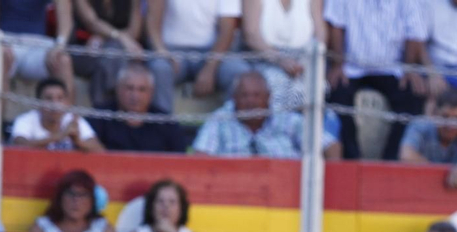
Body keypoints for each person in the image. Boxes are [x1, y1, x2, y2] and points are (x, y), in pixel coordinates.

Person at [324, 0, 430, 161]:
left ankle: (391, 159)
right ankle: (352, 158)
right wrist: (337, 64)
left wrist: (409, 67)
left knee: (412, 94)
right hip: (352, 67)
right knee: (336, 91)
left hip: (391, 67)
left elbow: (414, 31)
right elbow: (336, 26)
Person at [190, 70, 341, 158]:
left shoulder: (286, 118)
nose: (251, 101)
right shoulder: (220, 119)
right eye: (245, 95)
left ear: (268, 97)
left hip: (287, 192)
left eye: (256, 95)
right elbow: (200, 156)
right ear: (234, 98)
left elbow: (331, 146)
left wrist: (327, 185)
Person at [143, 0, 252, 111]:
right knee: (160, 68)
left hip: (212, 52)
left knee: (239, 72)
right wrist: (162, 52)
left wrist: (210, 69)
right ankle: (163, 125)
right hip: (171, 51)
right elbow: (152, 20)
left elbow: (228, 31)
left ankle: (231, 126)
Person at [73, 0, 175, 111]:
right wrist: (118, 37)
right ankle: (108, 111)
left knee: (113, 53)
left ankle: (103, 112)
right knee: (112, 55)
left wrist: (108, 38)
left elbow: (134, 30)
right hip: (86, 48)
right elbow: (91, 22)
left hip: (119, 48)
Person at [0, 0, 77, 98]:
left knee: (62, 60)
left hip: (37, 43)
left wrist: (60, 44)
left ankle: (70, 113)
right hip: (2, 39)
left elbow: (64, 12)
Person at [241, 0, 325, 111]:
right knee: (276, 86)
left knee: (315, 88)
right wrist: (280, 59)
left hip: (304, 61)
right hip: (267, 59)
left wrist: (308, 61)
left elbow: (320, 35)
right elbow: (251, 36)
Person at [91, 62, 192, 152]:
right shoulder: (101, 116)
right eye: (129, 88)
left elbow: (180, 159)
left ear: (151, 92)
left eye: (142, 89)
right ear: (118, 88)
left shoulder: (165, 122)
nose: (135, 95)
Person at [10, 77, 105, 152]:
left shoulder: (73, 120)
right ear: (37, 103)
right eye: (48, 98)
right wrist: (59, 136)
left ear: (67, 102)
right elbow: (19, 146)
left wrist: (79, 142)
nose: (55, 104)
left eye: (60, 98)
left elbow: (101, 151)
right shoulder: (26, 120)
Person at [30, 169, 114, 232]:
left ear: (92, 200)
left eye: (82, 195)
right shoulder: (42, 228)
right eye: (71, 194)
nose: (76, 200)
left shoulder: (103, 230)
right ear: (60, 198)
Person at [132, 178, 199, 232]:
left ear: (182, 208)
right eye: (160, 201)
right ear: (151, 206)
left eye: (172, 202)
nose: (166, 206)